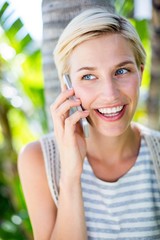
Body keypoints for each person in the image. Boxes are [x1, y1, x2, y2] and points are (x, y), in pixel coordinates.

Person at [18, 7, 160, 240]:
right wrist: (71, 174)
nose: (110, 94)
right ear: (67, 86)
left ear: (140, 73)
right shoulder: (38, 159)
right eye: (88, 76)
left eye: (122, 71)